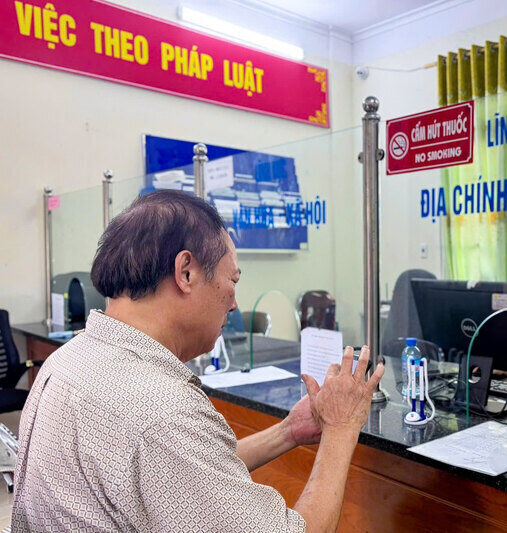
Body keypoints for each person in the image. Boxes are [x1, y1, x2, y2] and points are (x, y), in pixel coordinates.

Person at [12, 190, 384, 532]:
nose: (234, 302)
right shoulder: (162, 411)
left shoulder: (66, 361)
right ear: (186, 272)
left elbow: (182, 475)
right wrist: (341, 426)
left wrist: (289, 432)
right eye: (232, 281)